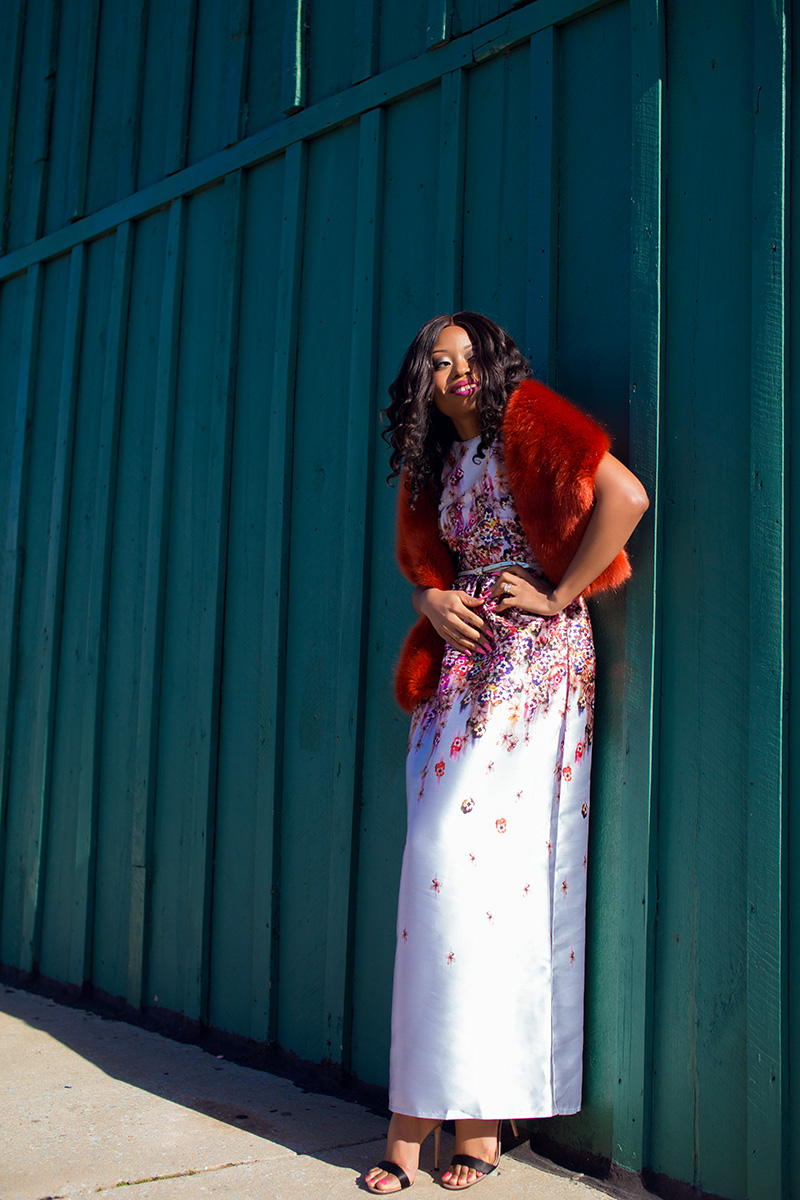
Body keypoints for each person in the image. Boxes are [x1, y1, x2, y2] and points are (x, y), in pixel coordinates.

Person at [365, 313, 648, 1194]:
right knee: (439, 869)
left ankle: (469, 1122)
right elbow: (428, 567)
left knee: (485, 872)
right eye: (437, 361)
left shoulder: (528, 419)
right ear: (421, 383)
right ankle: (432, 1115)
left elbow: (626, 498)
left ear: (491, 364)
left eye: (468, 355)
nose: (456, 370)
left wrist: (561, 593)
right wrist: (429, 602)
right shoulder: (434, 464)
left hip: (535, 665)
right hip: (459, 675)